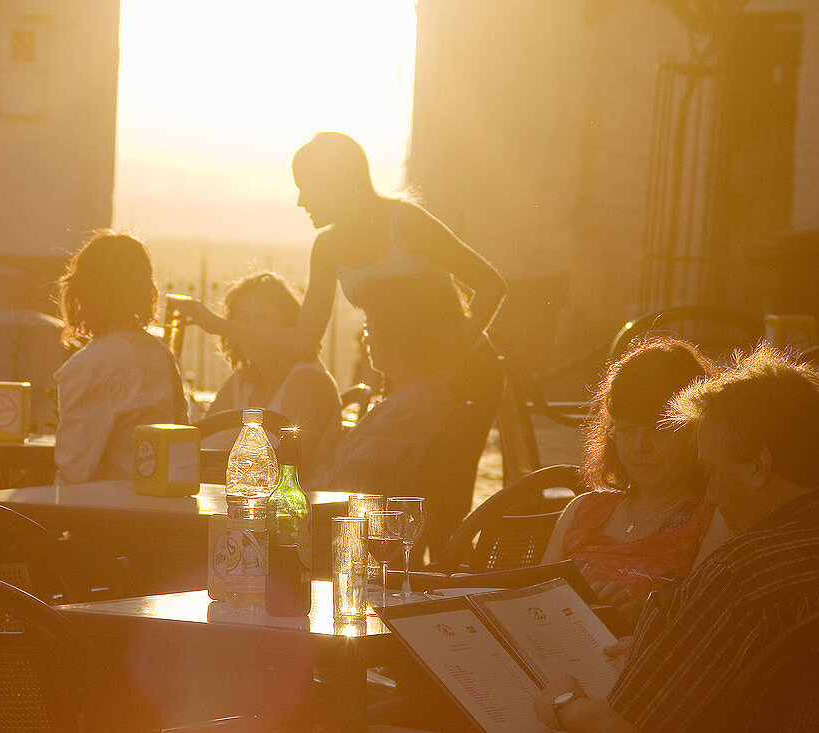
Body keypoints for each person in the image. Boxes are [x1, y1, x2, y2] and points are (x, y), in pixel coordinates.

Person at [534, 345, 819, 732]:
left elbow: (624, 726)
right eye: (627, 430)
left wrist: (565, 703)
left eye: (712, 471)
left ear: (758, 466)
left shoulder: (739, 575)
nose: (712, 495)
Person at [179, 132, 506, 361]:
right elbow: (303, 342)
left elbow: (491, 285)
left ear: (336, 184)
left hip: (465, 373)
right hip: (406, 379)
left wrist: (452, 354)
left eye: (307, 188)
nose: (300, 201)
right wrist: (216, 325)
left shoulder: (406, 222)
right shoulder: (327, 248)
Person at [541, 337, 733, 624]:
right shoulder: (582, 510)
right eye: (629, 430)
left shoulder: (715, 519)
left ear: (697, 433)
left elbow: (704, 628)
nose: (640, 448)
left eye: (659, 430)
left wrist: (643, 616)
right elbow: (533, 600)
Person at [320, 274, 502, 557]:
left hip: (352, 539)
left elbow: (356, 481)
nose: (365, 336)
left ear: (398, 336)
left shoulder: (411, 409)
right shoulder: (417, 398)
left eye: (372, 325)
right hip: (356, 526)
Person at [54, 230, 187, 484]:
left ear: (82, 291)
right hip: (160, 507)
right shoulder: (160, 354)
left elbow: (74, 471)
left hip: (110, 513)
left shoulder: (92, 365)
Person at [204, 271, 341, 471]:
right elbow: (202, 443)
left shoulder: (309, 382)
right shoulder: (241, 383)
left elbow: (289, 466)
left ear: (289, 325)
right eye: (242, 321)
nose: (251, 331)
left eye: (263, 319)